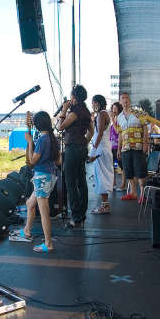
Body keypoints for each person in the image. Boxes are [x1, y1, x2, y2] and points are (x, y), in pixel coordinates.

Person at [10, 111, 61, 252]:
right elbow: (58, 160)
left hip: (42, 177)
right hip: (50, 175)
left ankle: (48, 244)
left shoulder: (42, 140)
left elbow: (32, 161)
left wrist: (29, 142)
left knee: (44, 213)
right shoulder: (52, 138)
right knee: (30, 204)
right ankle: (26, 230)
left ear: (37, 125)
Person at [57, 85, 93, 228]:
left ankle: (76, 218)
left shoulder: (74, 112)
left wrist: (64, 110)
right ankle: (81, 215)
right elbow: (91, 130)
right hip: (81, 148)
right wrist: (85, 142)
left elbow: (60, 127)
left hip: (72, 149)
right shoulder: (86, 111)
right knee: (81, 182)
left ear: (74, 97)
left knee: (70, 183)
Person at [116, 92, 149, 204]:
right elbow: (120, 134)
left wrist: (145, 143)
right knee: (128, 170)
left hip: (138, 147)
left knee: (140, 171)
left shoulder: (138, 113)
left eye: (127, 98)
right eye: (123, 98)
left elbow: (145, 128)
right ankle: (133, 193)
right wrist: (119, 148)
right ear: (120, 102)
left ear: (129, 101)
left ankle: (143, 194)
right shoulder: (119, 117)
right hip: (125, 148)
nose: (125, 100)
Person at [88, 95, 114, 214]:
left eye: (93, 103)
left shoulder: (101, 115)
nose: (92, 105)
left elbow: (99, 134)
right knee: (103, 176)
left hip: (100, 149)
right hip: (105, 148)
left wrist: (93, 152)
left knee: (101, 177)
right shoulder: (105, 114)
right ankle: (105, 204)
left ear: (97, 103)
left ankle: (105, 205)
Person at [110, 102, 126, 191]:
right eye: (113, 108)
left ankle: (123, 185)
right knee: (112, 166)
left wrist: (112, 120)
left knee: (122, 166)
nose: (113, 110)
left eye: (115, 108)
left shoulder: (120, 118)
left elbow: (117, 132)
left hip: (119, 146)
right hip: (112, 146)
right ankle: (113, 183)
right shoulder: (115, 118)